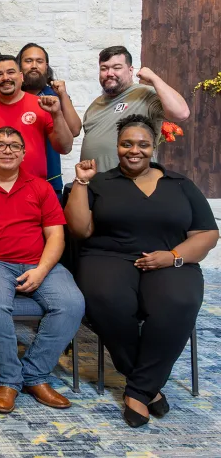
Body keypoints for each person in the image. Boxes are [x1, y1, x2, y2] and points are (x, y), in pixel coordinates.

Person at [64, 115, 218, 427]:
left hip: (170, 260)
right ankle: (149, 388)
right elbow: (79, 229)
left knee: (178, 302)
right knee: (107, 299)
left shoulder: (181, 185)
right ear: (117, 146)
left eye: (143, 144)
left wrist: (172, 256)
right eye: (127, 144)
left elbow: (206, 234)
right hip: (107, 257)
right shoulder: (99, 182)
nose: (134, 150)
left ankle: (139, 389)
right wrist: (81, 182)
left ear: (154, 146)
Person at [0, 127, 84, 414]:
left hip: (38, 261)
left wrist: (42, 270)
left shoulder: (40, 187)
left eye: (14, 145)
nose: (7, 150)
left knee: (72, 303)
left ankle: (34, 375)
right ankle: (7, 381)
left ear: (24, 153)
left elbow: (56, 236)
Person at [0, 55, 73, 182]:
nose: (5, 78)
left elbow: (64, 147)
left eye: (11, 72)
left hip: (33, 188)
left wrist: (57, 114)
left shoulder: (41, 105)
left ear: (21, 77)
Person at [80, 45, 190, 173]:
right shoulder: (94, 105)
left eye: (117, 68)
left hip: (133, 184)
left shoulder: (145, 94)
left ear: (130, 70)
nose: (109, 73)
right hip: (93, 185)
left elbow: (181, 113)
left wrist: (154, 78)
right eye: (104, 68)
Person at [18, 43, 82, 195]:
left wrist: (63, 95)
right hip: (13, 179)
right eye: (28, 61)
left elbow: (74, 130)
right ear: (19, 66)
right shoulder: (12, 94)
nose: (34, 66)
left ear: (46, 67)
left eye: (39, 61)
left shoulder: (54, 95)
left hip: (49, 179)